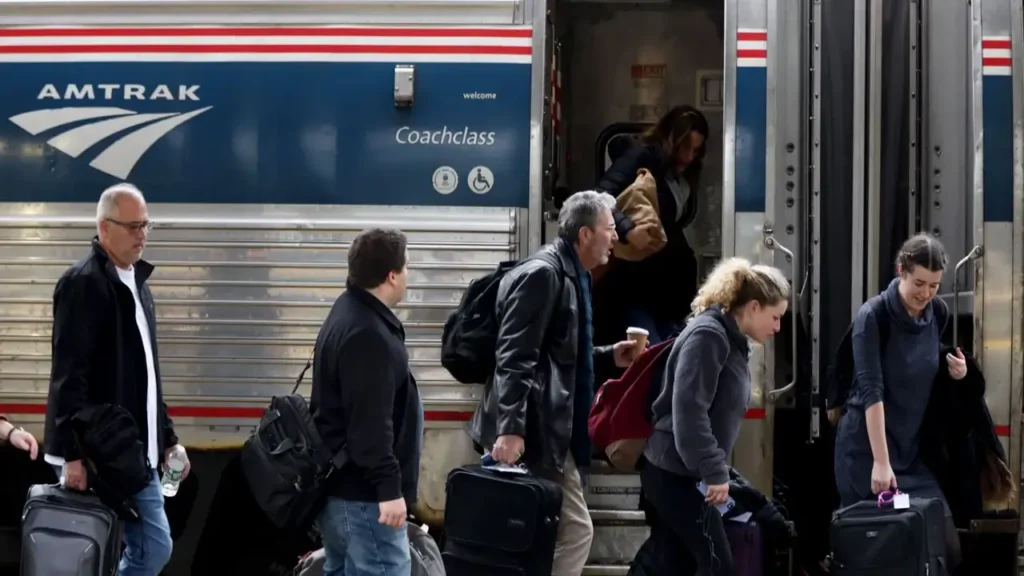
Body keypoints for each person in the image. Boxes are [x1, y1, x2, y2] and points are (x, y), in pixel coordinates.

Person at [467, 190, 641, 576]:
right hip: (536, 430)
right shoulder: (544, 275)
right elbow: (514, 357)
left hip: (546, 425)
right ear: (584, 235)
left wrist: (610, 355)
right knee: (575, 531)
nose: (616, 237)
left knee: (539, 534)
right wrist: (511, 429)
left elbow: (557, 355)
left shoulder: (566, 275)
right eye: (610, 228)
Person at [42, 182, 186, 575]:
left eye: (146, 225)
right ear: (104, 228)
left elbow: (148, 374)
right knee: (153, 546)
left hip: (135, 448)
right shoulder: (83, 284)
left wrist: (169, 438)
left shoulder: (137, 284)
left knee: (122, 549)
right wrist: (70, 454)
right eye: (133, 226)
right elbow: (69, 375)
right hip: (102, 451)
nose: (142, 235)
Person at [633, 257, 789, 576]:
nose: (778, 327)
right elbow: (689, 412)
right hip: (676, 472)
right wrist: (714, 471)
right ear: (754, 306)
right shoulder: (710, 337)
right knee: (717, 563)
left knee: (674, 561)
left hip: (683, 470)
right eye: (776, 317)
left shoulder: (728, 340)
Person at [833, 233, 963, 566]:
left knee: (944, 545)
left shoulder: (938, 312)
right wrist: (881, 462)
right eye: (919, 282)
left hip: (911, 455)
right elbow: (870, 389)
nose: (926, 293)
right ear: (901, 270)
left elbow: (930, 365)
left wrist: (959, 373)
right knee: (879, 552)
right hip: (867, 453)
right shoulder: (873, 317)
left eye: (934, 285)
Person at [310, 227, 424, 576]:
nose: (407, 275)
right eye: (406, 267)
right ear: (391, 275)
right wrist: (389, 490)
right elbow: (370, 425)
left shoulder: (349, 311)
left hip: (348, 497)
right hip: (365, 501)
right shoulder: (368, 334)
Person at [596, 104, 710, 345]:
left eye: (696, 151)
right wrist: (627, 229)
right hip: (636, 287)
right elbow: (598, 196)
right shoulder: (642, 157)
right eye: (685, 148)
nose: (689, 157)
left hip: (666, 293)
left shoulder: (679, 177)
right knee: (651, 361)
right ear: (670, 139)